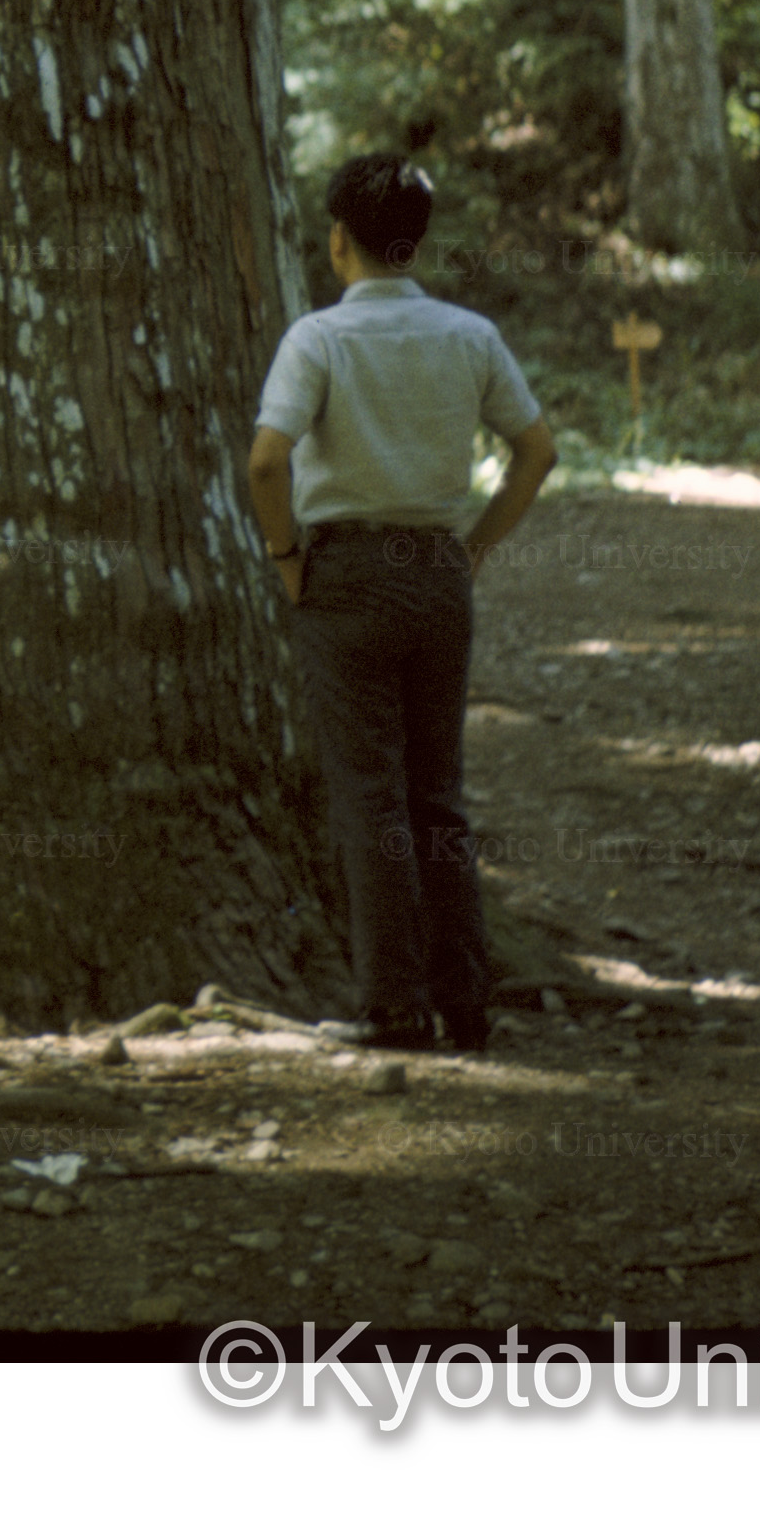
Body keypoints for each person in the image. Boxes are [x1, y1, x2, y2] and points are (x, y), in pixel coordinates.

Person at [245, 152, 557, 1052]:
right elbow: (535, 450)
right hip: (435, 573)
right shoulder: (469, 334)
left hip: (343, 574)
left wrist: (285, 558)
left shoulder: (318, 340)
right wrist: (474, 553)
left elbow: (268, 461)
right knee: (438, 795)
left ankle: (391, 1004)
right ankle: (466, 997)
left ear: (338, 241)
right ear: (416, 242)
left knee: (369, 797)